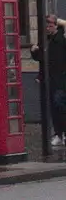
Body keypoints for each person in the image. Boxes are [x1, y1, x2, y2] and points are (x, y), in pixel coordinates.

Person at [31, 13, 66, 148]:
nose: (48, 28)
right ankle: (58, 134)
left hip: (62, 78)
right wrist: (34, 51)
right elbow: (40, 58)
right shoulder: (44, 40)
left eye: (50, 26)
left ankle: (62, 133)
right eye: (46, 26)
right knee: (53, 107)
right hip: (49, 78)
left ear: (56, 26)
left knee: (60, 104)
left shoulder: (62, 39)